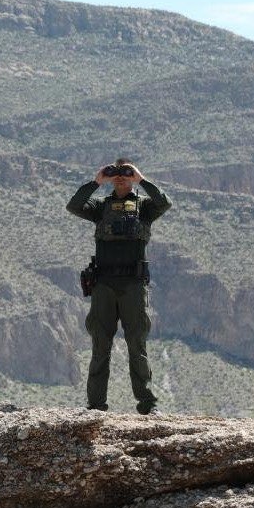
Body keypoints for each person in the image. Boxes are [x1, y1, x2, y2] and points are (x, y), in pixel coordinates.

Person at [66, 158, 172, 414]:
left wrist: (141, 179)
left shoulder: (144, 208)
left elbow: (164, 203)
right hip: (103, 285)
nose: (121, 177)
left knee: (137, 344)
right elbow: (74, 205)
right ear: (111, 178)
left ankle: (147, 404)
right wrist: (96, 181)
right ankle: (96, 405)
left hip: (133, 286)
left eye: (126, 173)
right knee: (100, 344)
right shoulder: (101, 207)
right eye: (117, 174)